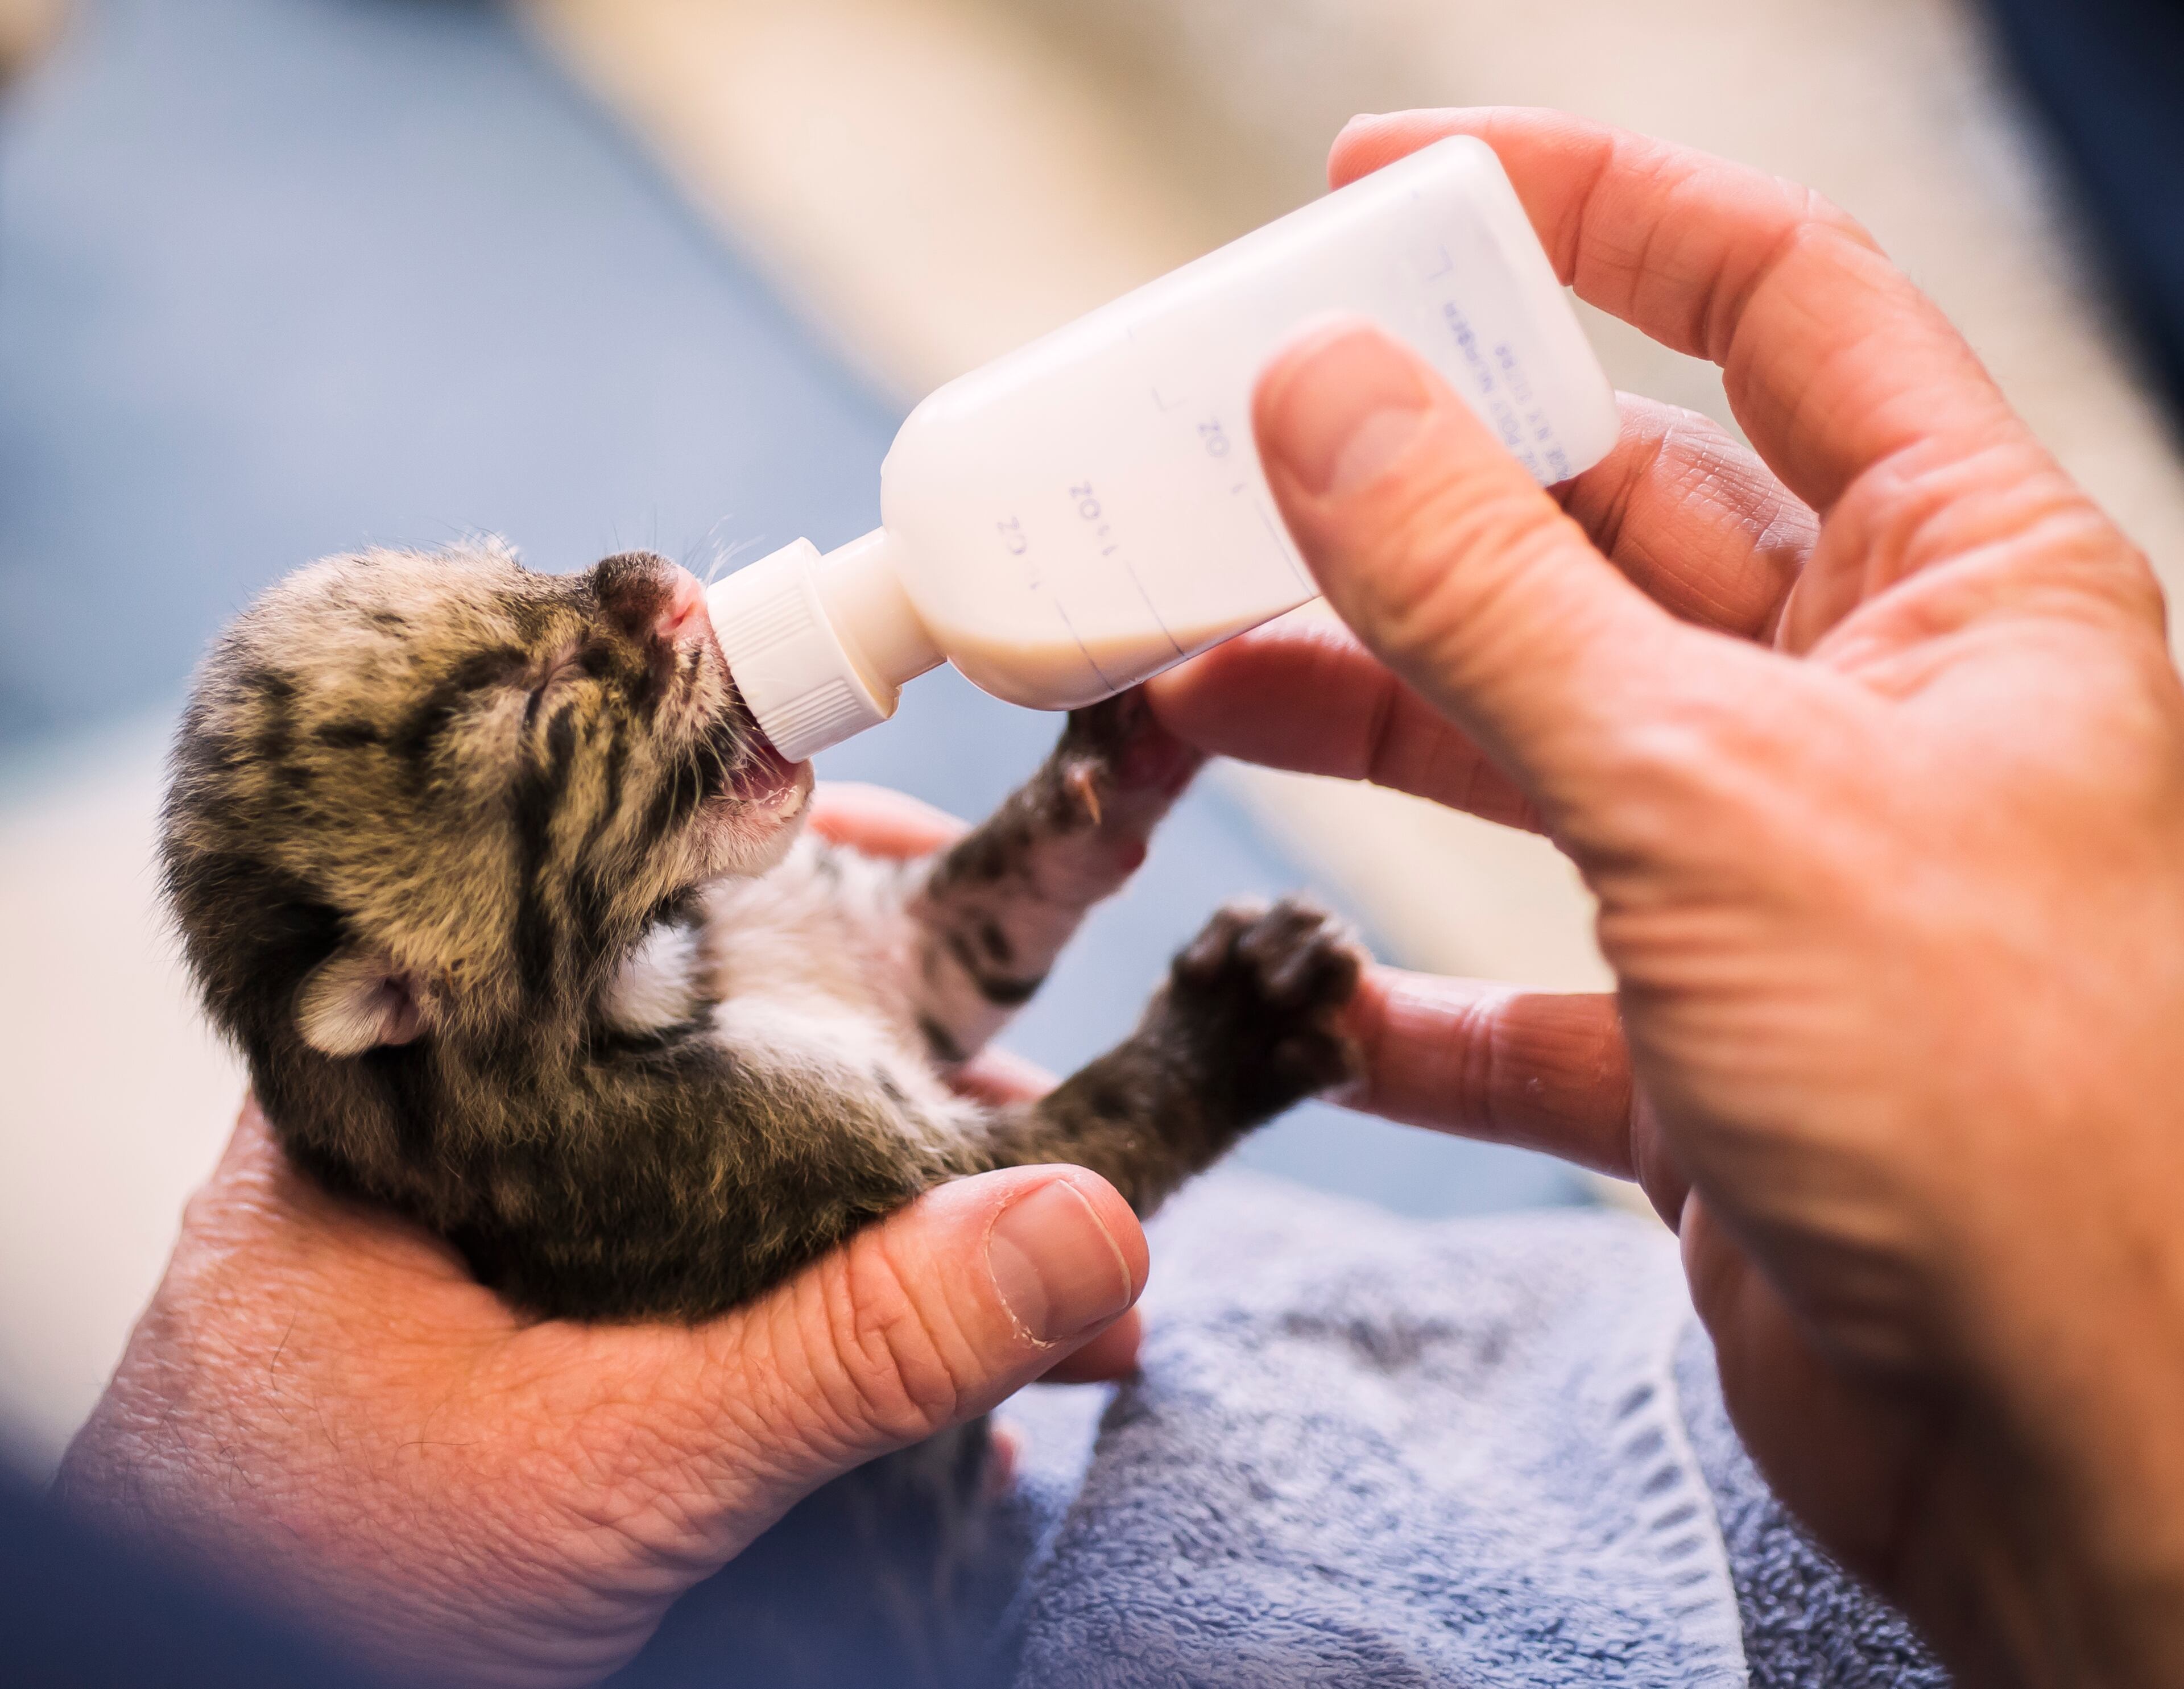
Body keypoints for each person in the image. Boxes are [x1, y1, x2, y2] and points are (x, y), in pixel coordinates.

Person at [49, 107, 2184, 1686]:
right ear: (402, 997)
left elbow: (910, 982)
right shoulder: (621, 1156)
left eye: (529, 584)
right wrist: (1205, 1057)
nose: (634, 596)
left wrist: (1075, 815)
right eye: (543, 707)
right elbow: (990, 1199)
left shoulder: (581, 970)